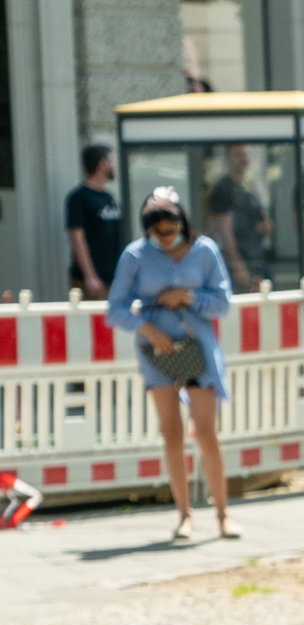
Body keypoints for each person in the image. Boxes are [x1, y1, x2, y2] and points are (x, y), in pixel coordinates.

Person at [104, 188, 237, 542]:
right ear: (147, 229)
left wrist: (189, 296)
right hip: (156, 352)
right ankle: (184, 516)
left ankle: (223, 514)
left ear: (182, 222)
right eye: (157, 233)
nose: (164, 239)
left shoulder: (205, 250)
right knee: (172, 433)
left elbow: (223, 302)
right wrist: (145, 326)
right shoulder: (135, 255)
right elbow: (114, 308)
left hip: (199, 348)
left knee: (207, 433)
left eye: (170, 230)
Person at [206, 145, 274, 286]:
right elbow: (224, 232)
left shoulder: (249, 186)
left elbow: (261, 221)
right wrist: (238, 266)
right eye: (238, 155)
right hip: (239, 262)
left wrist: (264, 226)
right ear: (228, 159)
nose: (244, 159)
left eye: (246, 155)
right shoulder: (223, 189)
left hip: (258, 258)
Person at [65, 145, 122, 299]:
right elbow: (77, 237)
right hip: (94, 280)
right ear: (102, 164)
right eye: (110, 161)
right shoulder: (79, 198)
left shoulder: (108, 197)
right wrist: (90, 276)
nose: (113, 166)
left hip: (113, 278)